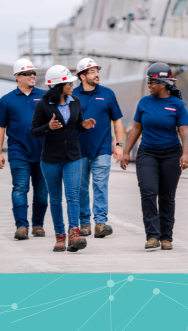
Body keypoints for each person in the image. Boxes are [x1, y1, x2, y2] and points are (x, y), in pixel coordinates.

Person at [121, 62, 188, 250]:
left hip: (171, 154)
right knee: (148, 192)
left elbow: (183, 130)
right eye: (149, 82)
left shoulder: (178, 105)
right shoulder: (144, 103)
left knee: (167, 197)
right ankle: (152, 236)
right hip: (147, 154)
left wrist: (185, 153)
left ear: (162, 83)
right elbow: (136, 127)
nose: (149, 85)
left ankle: (166, 237)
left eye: (152, 82)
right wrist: (126, 152)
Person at [30, 65, 96, 252]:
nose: (73, 85)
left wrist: (84, 125)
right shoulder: (43, 105)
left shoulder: (75, 101)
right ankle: (60, 236)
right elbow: (34, 131)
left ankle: (73, 234)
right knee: (55, 199)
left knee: (73, 196)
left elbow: (76, 126)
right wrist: (48, 127)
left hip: (73, 156)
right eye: (69, 83)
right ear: (59, 85)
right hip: (50, 158)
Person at [0, 59, 48, 240]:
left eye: (33, 73)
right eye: (27, 73)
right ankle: (22, 226)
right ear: (18, 77)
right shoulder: (6, 100)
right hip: (19, 151)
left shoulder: (46, 96)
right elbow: (0, 127)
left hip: (43, 152)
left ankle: (38, 225)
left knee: (41, 192)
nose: (32, 76)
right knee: (20, 188)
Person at [73, 58, 123, 239]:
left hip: (102, 149)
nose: (97, 74)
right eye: (92, 71)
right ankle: (84, 222)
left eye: (97, 71)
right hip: (77, 150)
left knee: (100, 185)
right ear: (82, 75)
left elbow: (117, 120)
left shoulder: (107, 94)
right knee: (80, 188)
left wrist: (119, 145)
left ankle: (100, 223)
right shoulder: (72, 94)